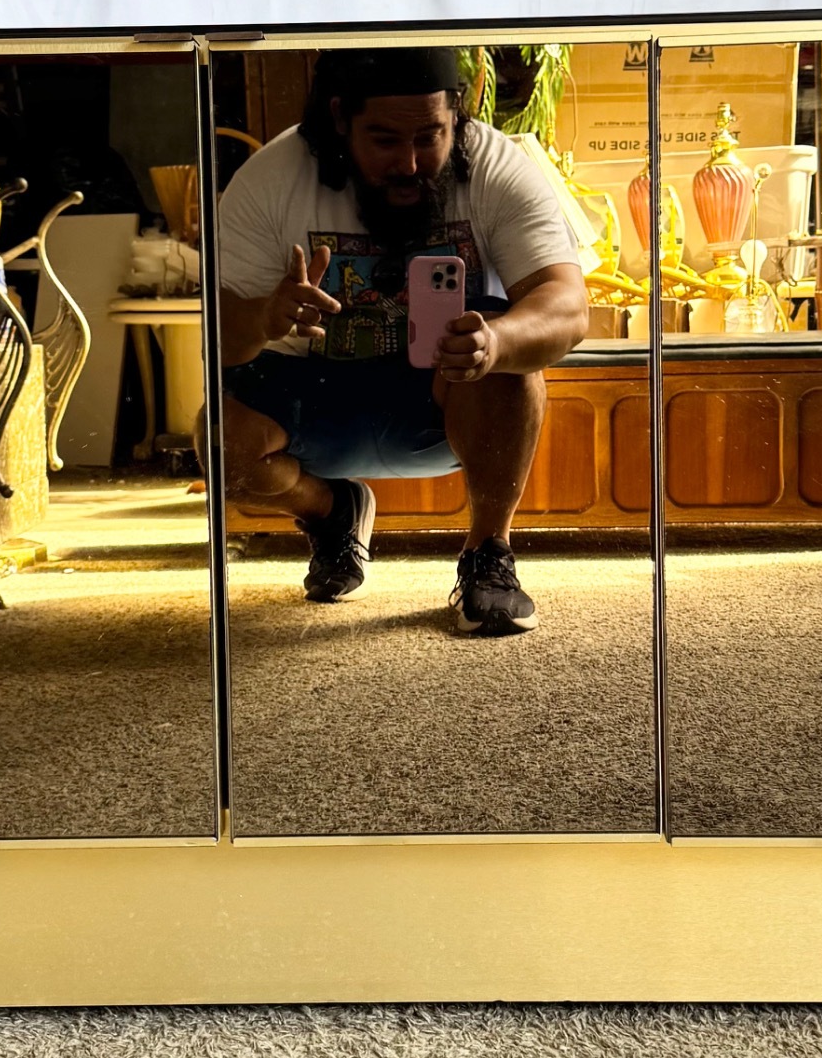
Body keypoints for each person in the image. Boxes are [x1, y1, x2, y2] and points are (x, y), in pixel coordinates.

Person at [215, 46, 589, 635]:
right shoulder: (270, 179)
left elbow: (567, 306)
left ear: (456, 117)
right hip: (308, 396)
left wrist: (496, 340)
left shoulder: (497, 166)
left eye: (429, 137)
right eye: (385, 141)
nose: (410, 164)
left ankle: (489, 553)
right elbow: (218, 344)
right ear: (340, 119)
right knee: (219, 444)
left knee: (511, 359)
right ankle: (331, 511)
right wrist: (267, 316)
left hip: (447, 390)